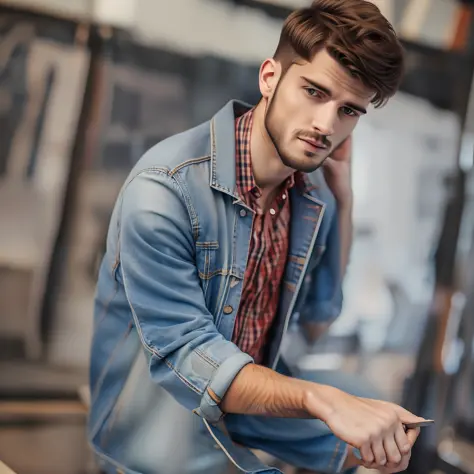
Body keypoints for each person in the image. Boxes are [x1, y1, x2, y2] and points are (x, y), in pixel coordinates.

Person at [88, 1, 427, 473]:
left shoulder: (313, 195)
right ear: (270, 77)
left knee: (392, 425)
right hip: (160, 416)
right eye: (314, 91)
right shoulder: (164, 189)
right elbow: (191, 358)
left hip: (248, 407)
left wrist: (344, 202)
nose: (326, 126)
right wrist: (321, 400)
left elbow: (318, 319)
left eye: (348, 110)